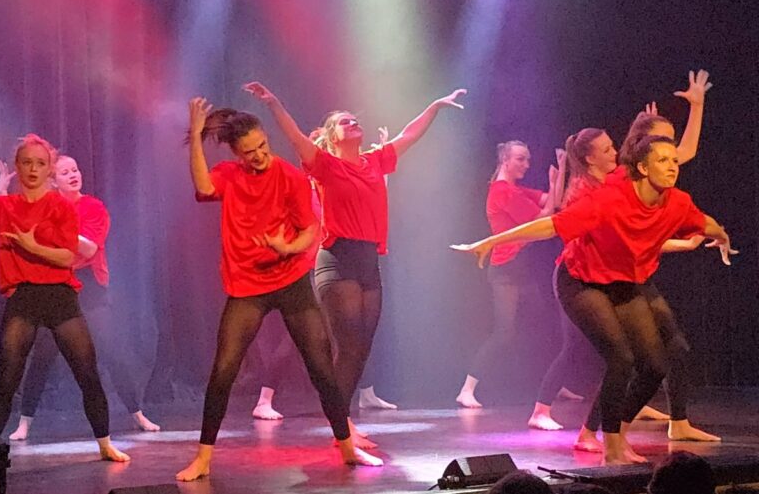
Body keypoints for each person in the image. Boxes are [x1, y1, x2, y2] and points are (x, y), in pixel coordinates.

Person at [452, 135, 732, 464]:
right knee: (621, 358)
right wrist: (491, 242)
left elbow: (703, 222)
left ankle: (609, 434)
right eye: (663, 160)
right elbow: (550, 226)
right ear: (643, 168)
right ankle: (611, 446)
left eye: (674, 161)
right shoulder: (609, 200)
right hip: (581, 280)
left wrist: (722, 236)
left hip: (623, 282)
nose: (672, 167)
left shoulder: (677, 203)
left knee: (655, 364)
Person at [245, 80, 465, 447]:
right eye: (345, 122)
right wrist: (273, 103)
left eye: (354, 120)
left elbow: (410, 135)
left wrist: (436, 106)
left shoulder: (376, 161)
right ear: (332, 137)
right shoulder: (325, 165)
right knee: (347, 346)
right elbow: (295, 136)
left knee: (361, 347)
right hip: (338, 260)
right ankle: (341, 428)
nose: (353, 123)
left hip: (369, 262)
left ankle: (341, 420)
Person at [176, 97, 381, 482]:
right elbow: (203, 185)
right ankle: (203, 458)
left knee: (321, 366)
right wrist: (198, 136)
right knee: (223, 370)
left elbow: (310, 230)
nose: (259, 156)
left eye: (263, 146)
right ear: (236, 154)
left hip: (290, 280)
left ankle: (346, 447)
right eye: (249, 152)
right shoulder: (230, 176)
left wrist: (287, 247)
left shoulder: (288, 175)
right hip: (247, 285)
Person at [0, 132, 128, 462]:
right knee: (7, 378)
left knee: (87, 372)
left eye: (40, 163)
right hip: (24, 298)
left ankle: (105, 442)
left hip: (60, 297)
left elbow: (67, 257)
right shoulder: (7, 206)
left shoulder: (61, 206)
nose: (33, 169)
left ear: (48, 168)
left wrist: (32, 246)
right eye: (27, 163)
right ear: (18, 166)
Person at [0, 156, 160, 439]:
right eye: (65, 172)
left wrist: (57, 231)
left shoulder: (93, 207)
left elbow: (89, 248)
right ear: (53, 181)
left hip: (89, 286)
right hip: (57, 286)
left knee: (113, 352)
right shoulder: (47, 206)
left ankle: (137, 413)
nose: (73, 175)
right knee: (42, 356)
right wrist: (2, 192)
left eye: (75, 170)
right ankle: (24, 422)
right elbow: (16, 222)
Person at [455, 140, 565, 408]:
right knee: (504, 333)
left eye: (527, 159)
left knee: (542, 324)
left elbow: (554, 203)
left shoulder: (515, 189)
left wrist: (560, 175)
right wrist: (556, 178)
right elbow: (544, 218)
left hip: (521, 268)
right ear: (505, 160)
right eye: (520, 159)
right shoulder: (502, 192)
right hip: (506, 270)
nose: (526, 165)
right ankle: (466, 389)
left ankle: (554, 384)